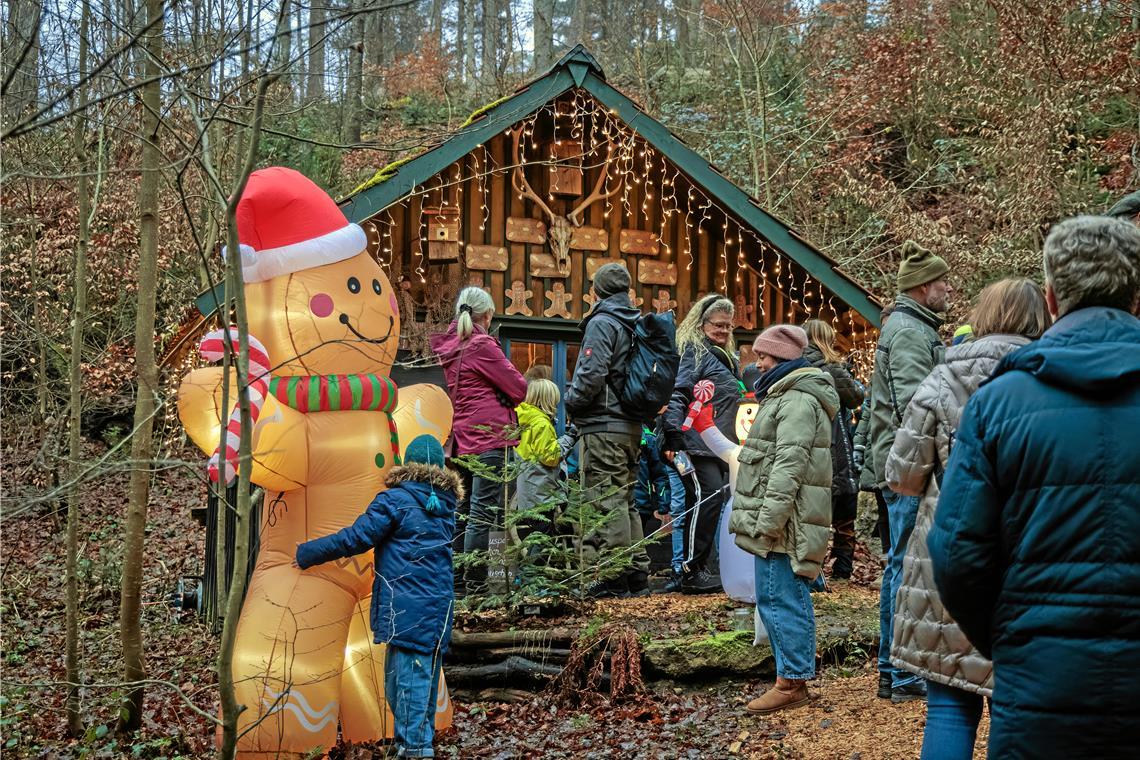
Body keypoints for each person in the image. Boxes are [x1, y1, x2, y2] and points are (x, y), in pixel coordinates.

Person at [928, 216, 1140, 759]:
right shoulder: (1000, 398)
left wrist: (1008, 638)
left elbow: (955, 553)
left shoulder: (999, 403)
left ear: (1050, 298)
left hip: (1041, 667)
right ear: (1135, 297)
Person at [885, 278, 1049, 756]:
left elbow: (901, 475)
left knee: (949, 705)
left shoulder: (943, 377)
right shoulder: (1051, 378)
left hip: (947, 555)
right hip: (1026, 553)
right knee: (1011, 702)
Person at [294, 435, 461, 759]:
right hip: (437, 608)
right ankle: (412, 745)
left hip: (406, 608)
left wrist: (307, 552)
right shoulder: (445, 507)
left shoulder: (394, 501)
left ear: (407, 466)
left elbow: (356, 538)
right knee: (417, 682)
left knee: (407, 685)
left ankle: (414, 749)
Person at [733, 325, 838, 714]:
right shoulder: (787, 395)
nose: (757, 363)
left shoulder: (796, 400)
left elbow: (788, 468)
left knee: (780, 598)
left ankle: (791, 682)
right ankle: (790, 676)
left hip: (787, 521)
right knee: (777, 596)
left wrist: (769, 522)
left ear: (781, 358)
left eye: (763, 356)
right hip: (785, 518)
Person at [869, 241, 953, 702]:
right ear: (923, 287)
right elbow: (917, 407)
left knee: (902, 561)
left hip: (905, 464)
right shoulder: (908, 332)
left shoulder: (914, 327)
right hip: (907, 468)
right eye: (941, 281)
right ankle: (899, 672)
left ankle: (894, 669)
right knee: (903, 563)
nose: (946, 288)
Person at [430, 287, 527, 595]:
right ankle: (476, 587)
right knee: (482, 515)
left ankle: (457, 583)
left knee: (462, 514)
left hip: (459, 439)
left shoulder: (451, 345)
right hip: (487, 438)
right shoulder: (482, 344)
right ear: (487, 314)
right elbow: (519, 387)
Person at [563, 263, 651, 598]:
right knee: (626, 498)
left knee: (606, 498)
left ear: (596, 292)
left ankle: (613, 576)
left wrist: (570, 402)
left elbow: (590, 376)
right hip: (631, 426)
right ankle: (636, 574)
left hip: (604, 424)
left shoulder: (602, 323)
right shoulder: (635, 323)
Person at [663, 294, 743, 594]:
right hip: (693, 442)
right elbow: (679, 392)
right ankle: (690, 569)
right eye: (718, 325)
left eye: (728, 326)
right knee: (705, 498)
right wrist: (672, 433)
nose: (723, 331)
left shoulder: (727, 358)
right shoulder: (695, 353)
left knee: (713, 501)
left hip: (720, 445)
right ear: (702, 323)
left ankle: (702, 567)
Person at [802, 319, 865, 580]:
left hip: (807, 443)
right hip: (836, 443)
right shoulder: (831, 368)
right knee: (844, 513)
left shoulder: (793, 366)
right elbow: (857, 396)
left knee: (811, 515)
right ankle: (842, 569)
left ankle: (811, 570)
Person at [853, 304, 895, 555]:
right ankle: (888, 559)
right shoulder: (880, 362)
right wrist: (859, 442)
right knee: (883, 507)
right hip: (876, 445)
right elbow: (868, 407)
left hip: (895, 442)